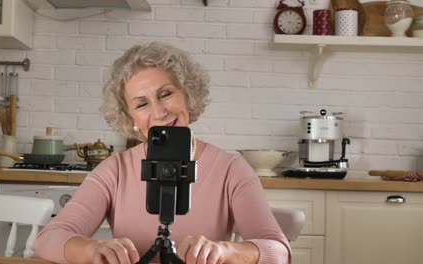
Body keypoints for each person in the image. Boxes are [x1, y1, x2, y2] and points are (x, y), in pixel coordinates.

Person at [35, 42, 291, 264]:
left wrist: (225, 251)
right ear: (130, 117)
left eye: (166, 94)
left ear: (187, 94)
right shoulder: (115, 170)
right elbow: (49, 239)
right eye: (142, 103)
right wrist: (93, 249)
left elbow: (279, 252)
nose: (159, 112)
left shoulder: (230, 169)